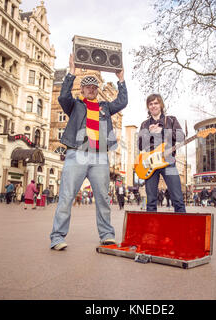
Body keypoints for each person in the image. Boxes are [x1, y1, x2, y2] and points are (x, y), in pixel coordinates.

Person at [49, 53, 127, 251]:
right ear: (82, 89)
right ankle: (57, 237)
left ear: (96, 90)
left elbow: (122, 102)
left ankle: (107, 235)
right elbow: (63, 96)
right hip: (77, 154)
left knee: (102, 197)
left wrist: (121, 80)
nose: (91, 90)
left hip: (100, 156)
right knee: (67, 196)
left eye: (94, 87)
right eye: (87, 87)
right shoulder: (75, 105)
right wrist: (71, 73)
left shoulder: (105, 107)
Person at [138, 94, 186, 213]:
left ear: (161, 105)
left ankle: (182, 228)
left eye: (155, 103)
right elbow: (140, 146)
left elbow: (181, 137)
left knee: (177, 198)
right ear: (148, 107)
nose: (153, 106)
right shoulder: (144, 124)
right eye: (150, 104)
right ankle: (151, 230)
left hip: (168, 161)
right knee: (151, 201)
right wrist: (148, 133)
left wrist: (163, 131)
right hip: (151, 164)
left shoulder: (171, 120)